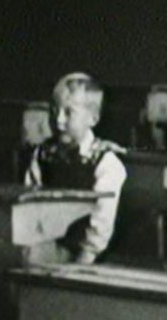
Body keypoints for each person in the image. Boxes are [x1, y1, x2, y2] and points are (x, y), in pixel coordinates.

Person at [25, 72, 127, 264]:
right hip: (47, 242)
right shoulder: (43, 154)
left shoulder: (105, 162)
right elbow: (29, 202)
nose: (59, 120)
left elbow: (101, 224)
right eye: (54, 111)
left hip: (89, 254)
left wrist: (82, 262)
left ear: (93, 119)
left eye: (69, 112)